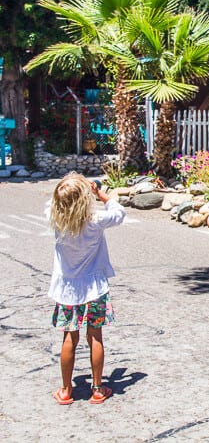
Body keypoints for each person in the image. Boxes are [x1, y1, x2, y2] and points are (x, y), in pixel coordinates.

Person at [47, 172, 125, 405]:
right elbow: (119, 213)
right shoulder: (96, 221)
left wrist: (70, 185)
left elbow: (54, 202)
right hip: (94, 287)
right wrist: (100, 193)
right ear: (84, 200)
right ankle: (98, 388)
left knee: (69, 338)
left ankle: (65, 389)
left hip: (68, 290)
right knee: (95, 337)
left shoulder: (56, 219)